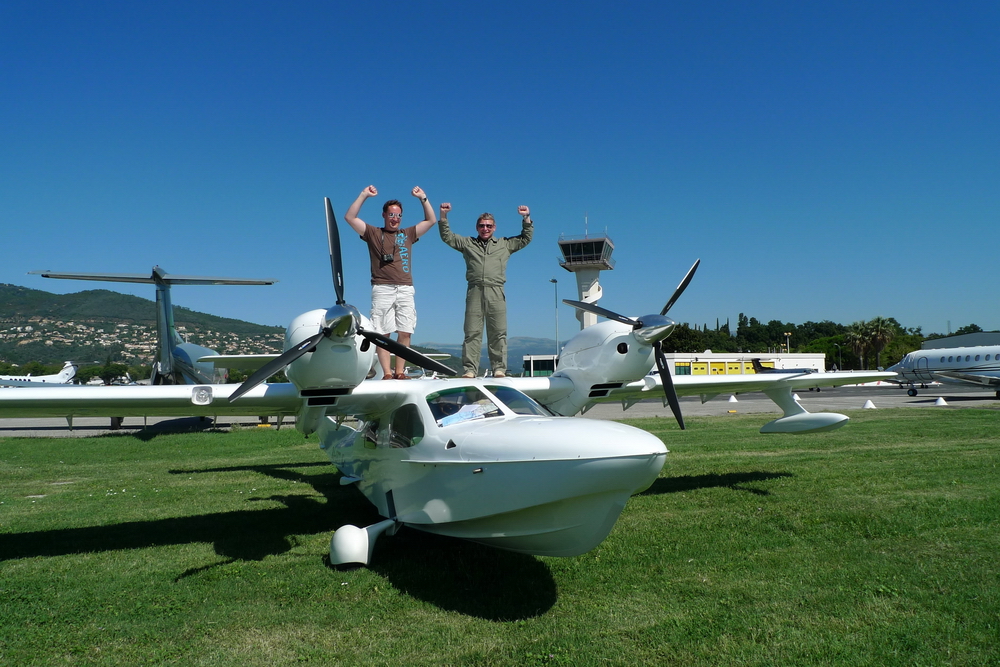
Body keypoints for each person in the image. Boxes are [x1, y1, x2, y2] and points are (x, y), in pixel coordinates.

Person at [345, 184, 437, 379]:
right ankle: (387, 373)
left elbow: (431, 220)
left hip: (405, 288)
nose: (395, 219)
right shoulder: (373, 233)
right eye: (392, 215)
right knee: (382, 332)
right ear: (384, 215)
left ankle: (400, 372)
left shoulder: (407, 234)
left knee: (405, 331)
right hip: (382, 287)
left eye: (399, 215)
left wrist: (423, 197)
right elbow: (350, 217)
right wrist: (363, 195)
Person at [438, 202, 533, 378]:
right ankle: (470, 369)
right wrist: (443, 215)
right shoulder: (468, 243)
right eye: (482, 226)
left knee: (498, 332)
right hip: (474, 291)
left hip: (496, 290)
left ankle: (499, 368)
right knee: (472, 332)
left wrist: (526, 217)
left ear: (494, 227)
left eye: (489, 226)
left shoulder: (504, 244)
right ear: (477, 227)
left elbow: (525, 238)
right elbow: (447, 237)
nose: (485, 229)